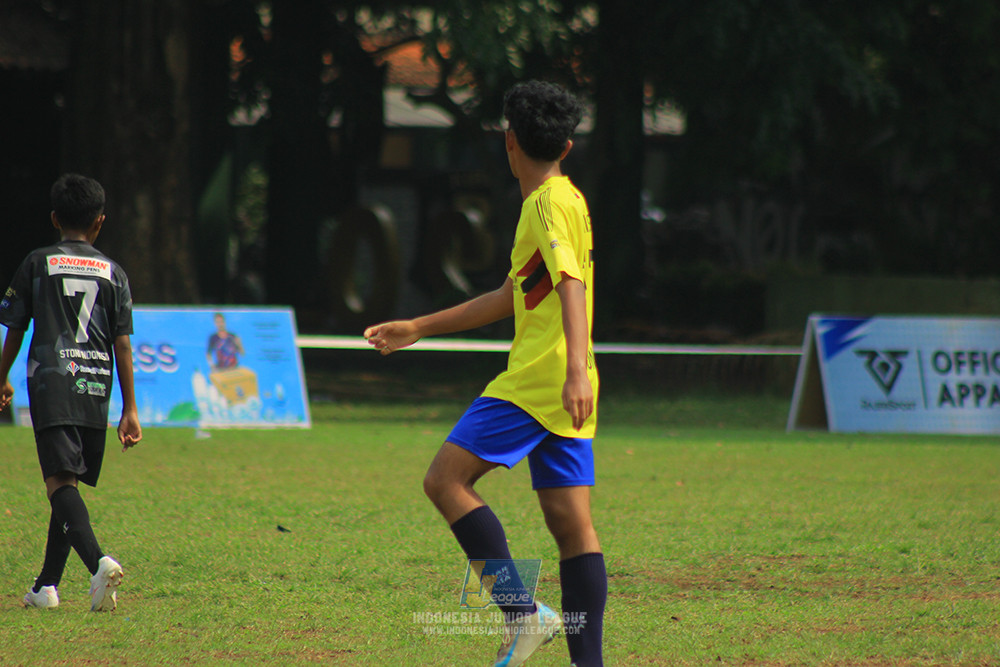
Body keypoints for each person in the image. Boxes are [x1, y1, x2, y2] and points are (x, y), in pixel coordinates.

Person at [365, 80, 606, 667]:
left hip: (541, 381)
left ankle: (523, 616)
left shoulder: (544, 204)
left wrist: (572, 369)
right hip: (569, 383)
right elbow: (510, 296)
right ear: (567, 146)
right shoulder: (569, 198)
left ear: (509, 141)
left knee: (445, 481)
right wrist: (419, 326)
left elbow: (571, 282)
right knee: (572, 525)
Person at [0, 173, 142, 612]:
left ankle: (98, 562)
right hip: (96, 388)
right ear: (100, 222)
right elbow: (122, 343)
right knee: (66, 483)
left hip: (53, 384)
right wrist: (130, 408)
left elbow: (15, 327)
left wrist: (1, 377)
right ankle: (46, 586)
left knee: (59, 483)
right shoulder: (114, 272)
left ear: (54, 218)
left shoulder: (37, 262)